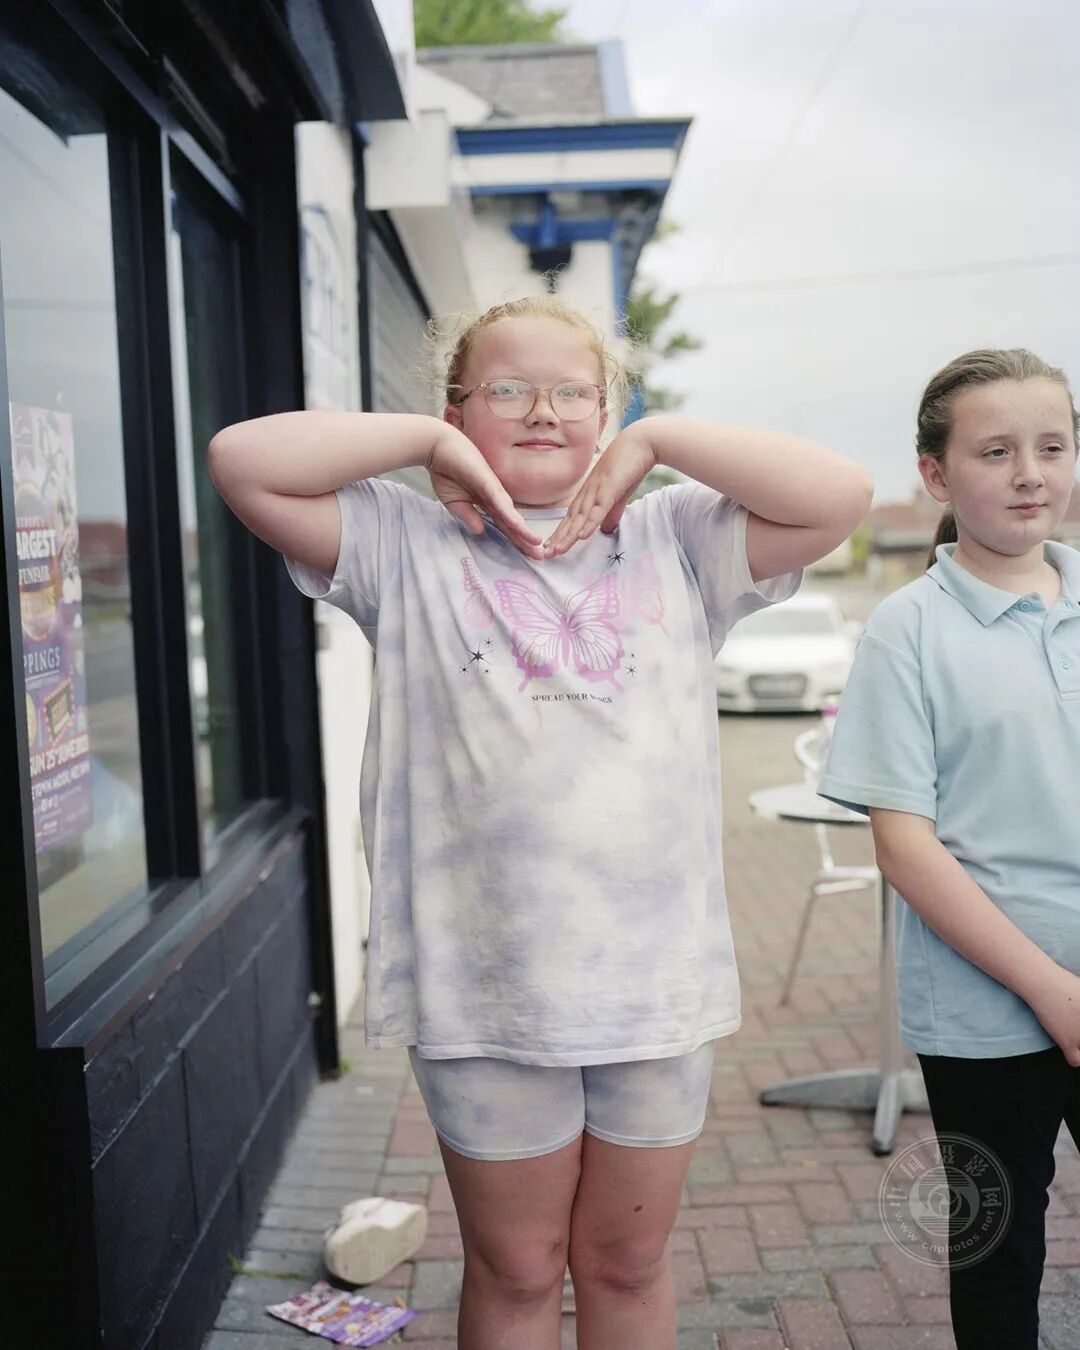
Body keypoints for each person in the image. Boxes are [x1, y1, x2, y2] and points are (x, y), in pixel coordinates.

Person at [208, 295, 872, 1350]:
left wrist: (656, 440)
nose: (543, 411)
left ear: (606, 410)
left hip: (651, 987)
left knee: (626, 1264)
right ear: (459, 409)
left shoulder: (676, 536)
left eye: (574, 391)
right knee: (516, 1271)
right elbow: (241, 460)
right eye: (507, 389)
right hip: (483, 990)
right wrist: (425, 447)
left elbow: (841, 495)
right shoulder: (400, 540)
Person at [817, 348, 1080, 1349]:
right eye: (996, 451)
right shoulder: (908, 630)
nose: (1031, 474)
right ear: (936, 474)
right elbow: (907, 850)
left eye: (1052, 446)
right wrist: (1053, 990)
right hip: (984, 1007)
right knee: (999, 1254)